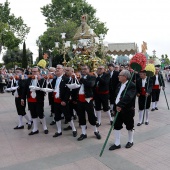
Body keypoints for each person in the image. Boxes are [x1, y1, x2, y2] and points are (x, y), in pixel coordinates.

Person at [109, 70, 136, 150]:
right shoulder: (119, 84)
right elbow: (116, 97)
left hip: (127, 110)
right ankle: (117, 143)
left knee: (129, 126)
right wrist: (115, 107)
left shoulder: (131, 85)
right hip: (118, 109)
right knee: (116, 126)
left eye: (120, 75)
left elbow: (128, 97)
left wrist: (120, 105)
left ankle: (130, 141)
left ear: (125, 77)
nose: (118, 76)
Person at [76, 65, 101, 141]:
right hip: (80, 99)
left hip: (88, 99)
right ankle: (84, 133)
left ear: (88, 69)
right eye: (82, 69)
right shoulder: (78, 77)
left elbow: (91, 85)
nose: (83, 70)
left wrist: (81, 79)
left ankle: (95, 131)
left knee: (91, 116)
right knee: (81, 116)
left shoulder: (92, 77)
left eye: (85, 69)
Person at [51, 65, 77, 138]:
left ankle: (74, 129)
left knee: (67, 116)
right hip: (56, 100)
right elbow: (52, 87)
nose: (57, 70)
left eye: (59, 68)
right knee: (57, 116)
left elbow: (68, 91)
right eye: (56, 68)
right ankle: (59, 131)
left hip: (63, 101)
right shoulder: (54, 79)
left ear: (63, 70)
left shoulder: (66, 79)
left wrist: (65, 100)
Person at [21, 66, 48, 135]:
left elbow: (44, 90)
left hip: (38, 100)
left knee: (40, 114)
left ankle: (44, 127)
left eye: (35, 71)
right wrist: (22, 99)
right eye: (32, 71)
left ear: (39, 72)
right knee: (33, 114)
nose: (34, 72)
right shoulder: (28, 80)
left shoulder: (42, 80)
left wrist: (39, 80)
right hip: (30, 99)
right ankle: (35, 128)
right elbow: (24, 90)